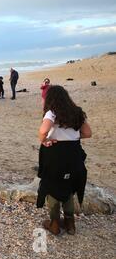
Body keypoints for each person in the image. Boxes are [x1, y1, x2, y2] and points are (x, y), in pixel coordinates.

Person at [37, 85, 92, 236]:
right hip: (74, 154)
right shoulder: (77, 112)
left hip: (56, 154)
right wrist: (72, 138)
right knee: (69, 186)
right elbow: (87, 133)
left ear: (50, 99)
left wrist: (45, 140)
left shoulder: (52, 112)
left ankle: (54, 223)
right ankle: (70, 223)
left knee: (53, 185)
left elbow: (42, 131)